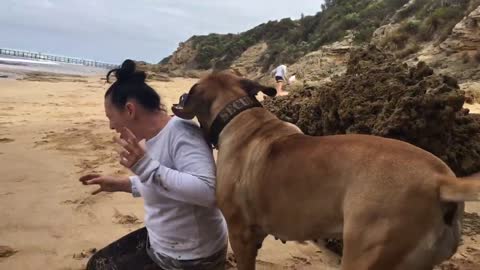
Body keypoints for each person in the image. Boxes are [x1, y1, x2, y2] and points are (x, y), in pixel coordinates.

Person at [79, 59, 228, 270]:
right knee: (99, 264)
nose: (111, 126)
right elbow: (160, 182)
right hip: (163, 242)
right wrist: (121, 184)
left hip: (192, 257)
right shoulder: (149, 138)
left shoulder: (182, 132)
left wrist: (144, 166)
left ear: (130, 110)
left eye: (111, 117)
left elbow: (209, 192)